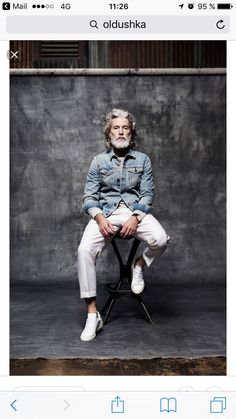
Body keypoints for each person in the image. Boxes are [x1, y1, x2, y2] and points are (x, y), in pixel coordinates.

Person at [78, 108, 169, 341]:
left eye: (125, 127)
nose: (121, 131)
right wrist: (99, 218)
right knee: (84, 250)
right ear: (109, 134)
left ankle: (138, 266)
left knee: (161, 239)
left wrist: (135, 217)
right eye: (116, 128)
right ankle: (92, 315)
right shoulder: (98, 161)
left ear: (131, 132)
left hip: (134, 211)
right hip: (105, 214)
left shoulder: (143, 160)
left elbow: (147, 195)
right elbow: (89, 197)